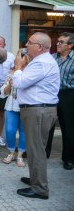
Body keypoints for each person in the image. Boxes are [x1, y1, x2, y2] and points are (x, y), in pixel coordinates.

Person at [13, 32, 59, 200]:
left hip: (38, 111)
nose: (26, 45)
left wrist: (18, 67)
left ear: (39, 47)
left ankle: (40, 189)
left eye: (29, 43)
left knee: (36, 150)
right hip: (37, 110)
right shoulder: (41, 61)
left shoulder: (41, 63)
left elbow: (20, 82)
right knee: (34, 149)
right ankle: (35, 180)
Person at [52, 32, 74, 170]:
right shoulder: (52, 57)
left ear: (70, 45)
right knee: (46, 125)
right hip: (51, 93)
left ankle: (68, 158)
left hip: (68, 95)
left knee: (68, 128)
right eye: (58, 41)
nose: (58, 43)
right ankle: (44, 152)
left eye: (61, 42)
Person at [0, 67, 26, 167]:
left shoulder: (31, 71)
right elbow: (4, 92)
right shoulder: (11, 74)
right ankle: (11, 153)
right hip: (12, 104)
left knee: (24, 131)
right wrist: (10, 85)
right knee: (9, 130)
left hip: (26, 105)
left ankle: (20, 155)